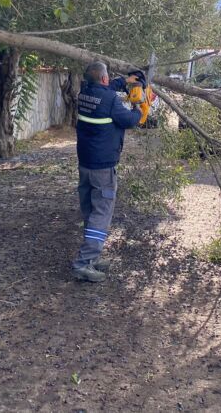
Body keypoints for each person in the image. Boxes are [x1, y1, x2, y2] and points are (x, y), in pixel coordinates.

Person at [71, 61, 142, 282]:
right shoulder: (110, 100)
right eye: (108, 77)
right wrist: (140, 109)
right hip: (103, 167)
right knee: (101, 215)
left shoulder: (84, 92)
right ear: (103, 78)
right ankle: (83, 263)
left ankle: (91, 258)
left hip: (86, 163)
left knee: (91, 212)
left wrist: (126, 81)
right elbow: (129, 120)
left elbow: (106, 88)